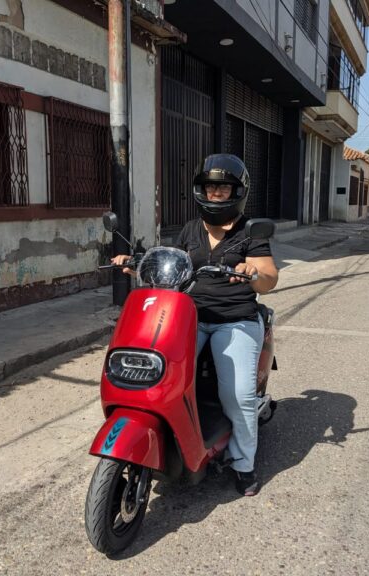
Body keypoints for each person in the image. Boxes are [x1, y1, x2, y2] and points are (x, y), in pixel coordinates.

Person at [111, 154, 279, 496]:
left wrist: (253, 273)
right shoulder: (190, 229)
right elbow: (172, 263)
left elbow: (269, 278)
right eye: (209, 187)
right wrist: (137, 265)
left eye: (223, 188)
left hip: (236, 320)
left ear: (237, 192)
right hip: (188, 314)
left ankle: (243, 464)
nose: (215, 194)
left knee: (238, 395)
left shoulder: (250, 232)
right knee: (159, 372)